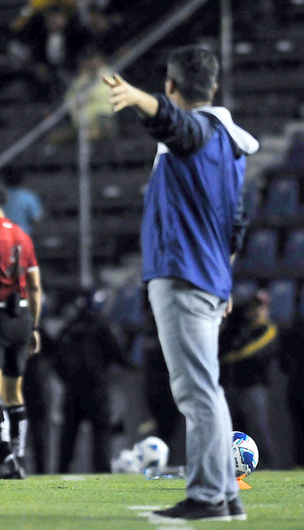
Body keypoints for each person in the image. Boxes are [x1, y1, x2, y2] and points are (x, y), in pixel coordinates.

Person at [104, 45, 258, 522]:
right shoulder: (231, 142)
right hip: (207, 276)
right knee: (205, 389)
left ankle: (208, 496)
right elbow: (237, 222)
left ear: (171, 87)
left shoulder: (199, 131)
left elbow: (177, 126)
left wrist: (138, 99)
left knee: (197, 393)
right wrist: (225, 277)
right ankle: (225, 496)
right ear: (212, 85)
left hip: (184, 273)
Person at [0, 177, 42, 479]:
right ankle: (18, 455)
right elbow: (36, 286)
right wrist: (35, 328)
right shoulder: (22, 236)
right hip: (23, 318)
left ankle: (2, 457)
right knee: (15, 393)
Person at [53, 291, 131, 473]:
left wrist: (67, 379)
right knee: (101, 433)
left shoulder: (69, 328)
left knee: (68, 435)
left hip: (73, 388)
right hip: (97, 388)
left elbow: (56, 359)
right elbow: (120, 357)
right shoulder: (102, 327)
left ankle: (61, 471)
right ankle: (102, 471)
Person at [219, 289, 278, 468]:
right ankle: (234, 468)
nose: (255, 311)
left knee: (258, 429)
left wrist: (231, 357)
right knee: (233, 431)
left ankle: (268, 467)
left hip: (255, 386)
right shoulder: (240, 328)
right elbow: (222, 345)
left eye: (259, 307)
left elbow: (250, 352)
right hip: (234, 385)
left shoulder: (267, 329)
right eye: (253, 307)